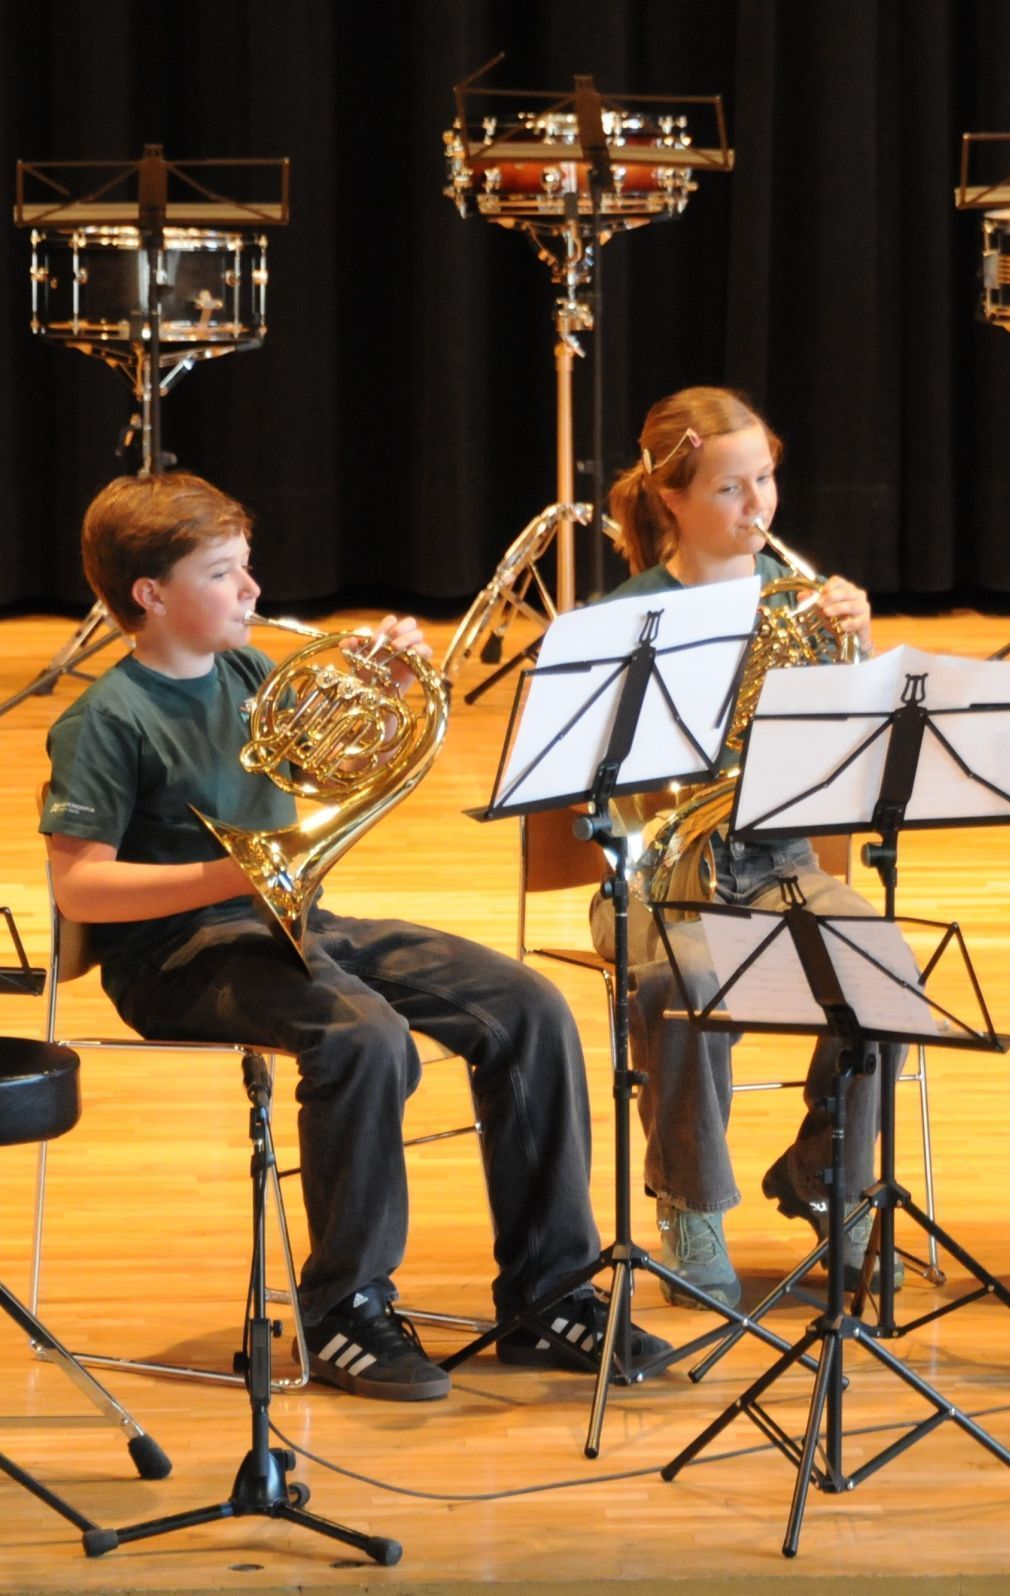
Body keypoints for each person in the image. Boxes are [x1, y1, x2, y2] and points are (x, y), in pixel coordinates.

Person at [40, 472, 665, 1401]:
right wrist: (234, 874)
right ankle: (344, 1308)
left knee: (527, 1005)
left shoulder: (249, 674)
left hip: (295, 923)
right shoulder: (105, 721)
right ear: (150, 595)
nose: (252, 589)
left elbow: (338, 762)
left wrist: (390, 684)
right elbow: (79, 886)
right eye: (223, 574)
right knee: (363, 1035)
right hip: (174, 958)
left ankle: (548, 1290)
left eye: (246, 566)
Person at [593, 385, 899, 1309]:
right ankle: (691, 1205)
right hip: (655, 876)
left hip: (780, 863)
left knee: (885, 969)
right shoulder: (628, 618)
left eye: (764, 479)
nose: (756, 505)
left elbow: (852, 760)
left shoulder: (800, 603)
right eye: (730, 488)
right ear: (672, 499)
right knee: (678, 982)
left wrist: (861, 654)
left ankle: (826, 1175)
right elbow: (595, 786)